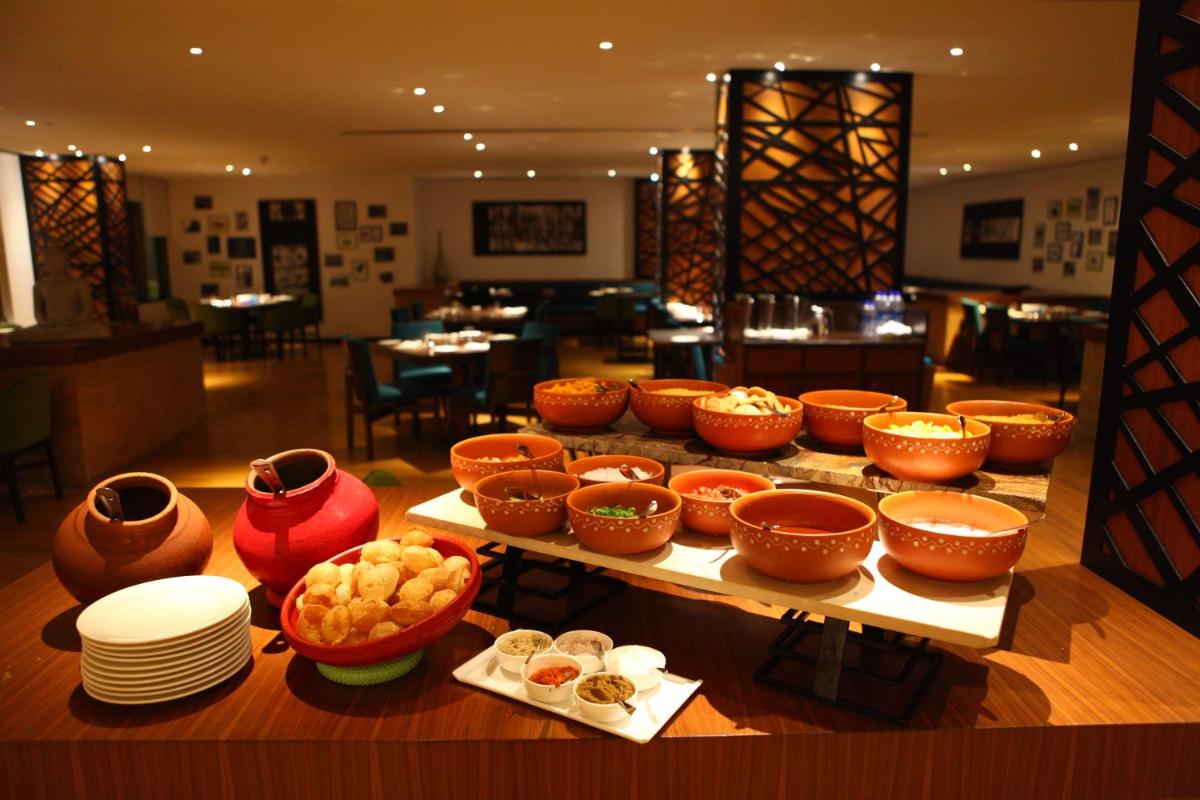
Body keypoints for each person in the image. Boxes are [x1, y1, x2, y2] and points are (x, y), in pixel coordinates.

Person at [33, 244, 93, 326]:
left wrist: (75, 322)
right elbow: (38, 312)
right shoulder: (40, 286)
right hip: (51, 327)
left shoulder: (79, 284)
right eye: (49, 263)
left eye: (57, 262)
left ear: (66, 263)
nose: (53, 266)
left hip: (75, 326)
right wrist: (44, 323)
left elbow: (87, 309)